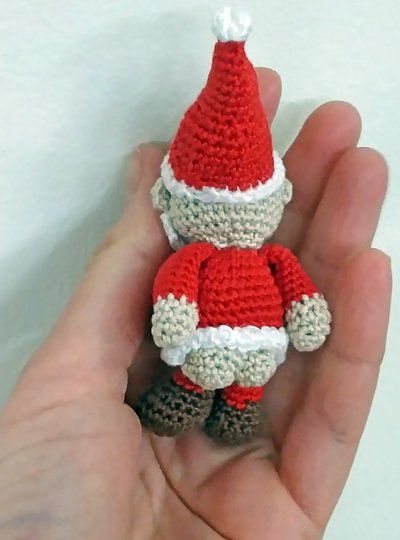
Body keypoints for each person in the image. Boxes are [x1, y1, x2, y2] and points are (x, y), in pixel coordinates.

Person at [0, 67, 391, 540]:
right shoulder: (196, 255)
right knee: (198, 374)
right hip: (208, 346)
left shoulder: (272, 257)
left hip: (260, 350)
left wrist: (306, 309)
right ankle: (189, 395)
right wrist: (176, 311)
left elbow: (295, 285)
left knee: (245, 386)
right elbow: (178, 283)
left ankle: (236, 409)